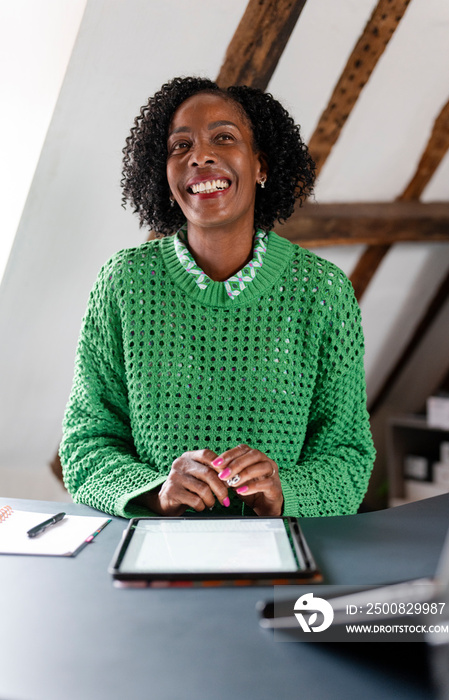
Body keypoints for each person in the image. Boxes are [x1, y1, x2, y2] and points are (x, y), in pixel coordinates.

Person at [60, 76, 375, 519]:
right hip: (157, 552)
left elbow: (348, 456)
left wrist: (283, 491)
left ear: (261, 165)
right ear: (164, 174)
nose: (200, 156)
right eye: (179, 146)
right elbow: (85, 444)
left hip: (280, 553)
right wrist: (157, 491)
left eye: (223, 138)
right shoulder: (123, 284)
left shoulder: (322, 291)